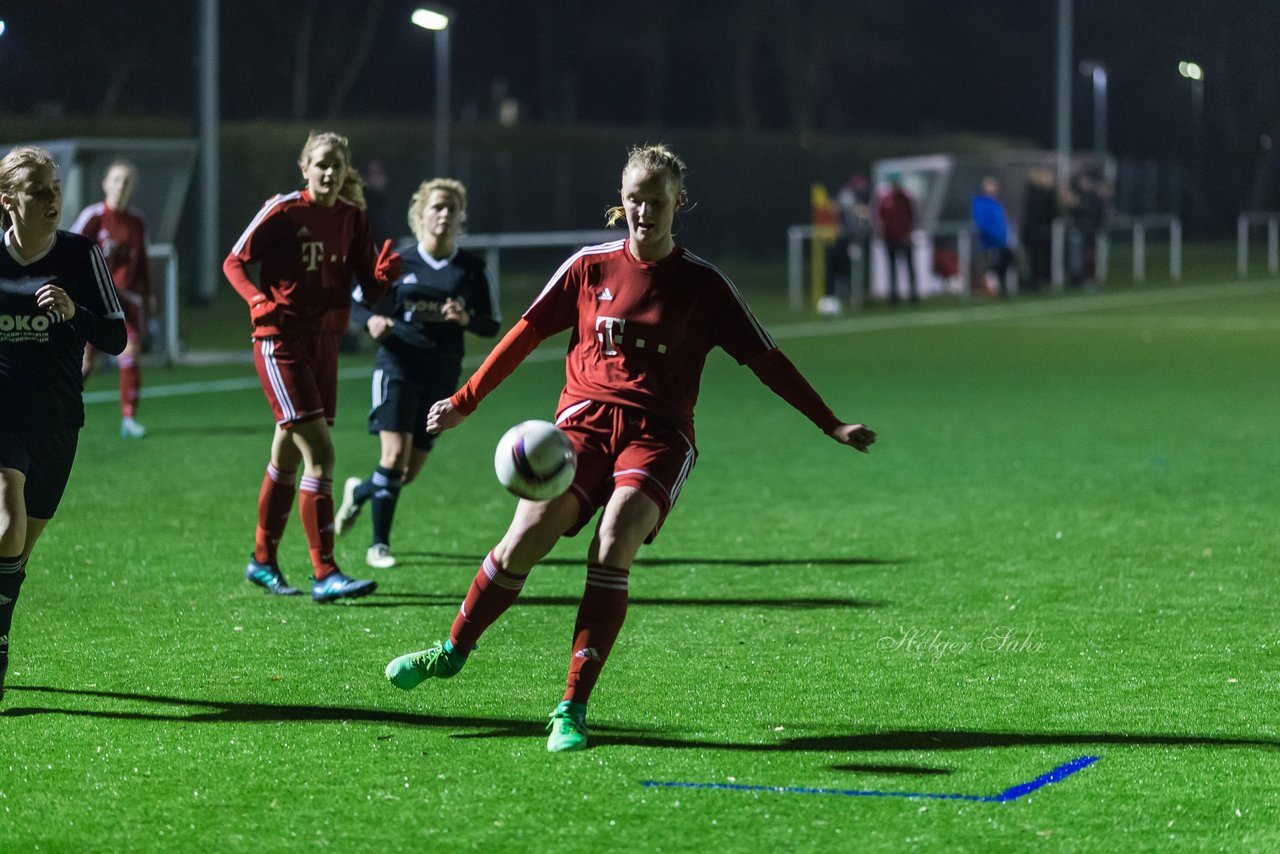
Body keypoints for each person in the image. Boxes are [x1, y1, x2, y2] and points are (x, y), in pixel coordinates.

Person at [383, 144, 877, 753]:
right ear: (622, 200)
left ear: (678, 204)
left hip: (659, 436)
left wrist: (828, 422)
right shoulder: (589, 267)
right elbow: (524, 334)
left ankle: (572, 706)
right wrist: (465, 400)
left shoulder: (704, 285)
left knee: (612, 544)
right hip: (581, 428)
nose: (644, 211)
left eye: (657, 201)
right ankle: (453, 650)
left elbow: (766, 359)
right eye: (635, 199)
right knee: (522, 541)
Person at [223, 130, 401, 603]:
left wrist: (383, 281)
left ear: (345, 172)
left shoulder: (352, 218)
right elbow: (234, 262)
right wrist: (257, 298)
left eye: (337, 165)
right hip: (280, 341)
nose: (329, 172)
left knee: (286, 454)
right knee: (320, 454)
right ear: (304, 167)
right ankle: (325, 572)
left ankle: (262, 560)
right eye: (321, 163)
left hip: (326, 343)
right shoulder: (284, 210)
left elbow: (367, 285)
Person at [0, 146, 127, 701]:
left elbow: (117, 338)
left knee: (18, 552)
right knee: (6, 523)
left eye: (56, 188)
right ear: (8, 202)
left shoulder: (80, 255)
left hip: (56, 418)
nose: (54, 199)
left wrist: (77, 312)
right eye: (40, 191)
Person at [336, 178, 500, 568]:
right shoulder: (399, 261)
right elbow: (357, 303)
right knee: (392, 457)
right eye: (436, 207)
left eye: (451, 209)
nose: (443, 215)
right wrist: (372, 322)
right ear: (420, 214)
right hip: (396, 365)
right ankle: (379, 546)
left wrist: (465, 319)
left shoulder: (472, 269)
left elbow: (491, 324)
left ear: (460, 217)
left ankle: (359, 493)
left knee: (406, 473)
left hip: (442, 373)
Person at [70, 160, 154, 438]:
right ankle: (58, 405)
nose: (122, 186)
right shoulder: (92, 217)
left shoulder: (137, 222)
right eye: (117, 180)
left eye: (127, 181)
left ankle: (129, 419)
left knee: (130, 352)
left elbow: (143, 262)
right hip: (93, 302)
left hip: (126, 302)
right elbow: (69, 253)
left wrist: (150, 294)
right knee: (85, 363)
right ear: (106, 183)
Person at [874, 172, 918, 305]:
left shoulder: (905, 199)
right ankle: (893, 297)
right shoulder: (886, 200)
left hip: (904, 237)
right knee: (892, 268)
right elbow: (881, 218)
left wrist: (908, 233)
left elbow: (912, 217)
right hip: (890, 238)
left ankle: (913, 295)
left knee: (909, 267)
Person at [971, 176, 1014, 298]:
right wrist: (990, 235)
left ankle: (1000, 288)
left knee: (1002, 263)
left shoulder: (996, 203)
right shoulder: (981, 203)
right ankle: (987, 290)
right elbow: (980, 222)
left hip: (1000, 240)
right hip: (989, 240)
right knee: (989, 266)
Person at [1019, 167, 1057, 292]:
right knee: (1035, 258)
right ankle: (1033, 282)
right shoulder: (1039, 194)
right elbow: (1049, 212)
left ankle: (1033, 281)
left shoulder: (1031, 192)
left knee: (1034, 258)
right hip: (1036, 232)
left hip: (1033, 231)